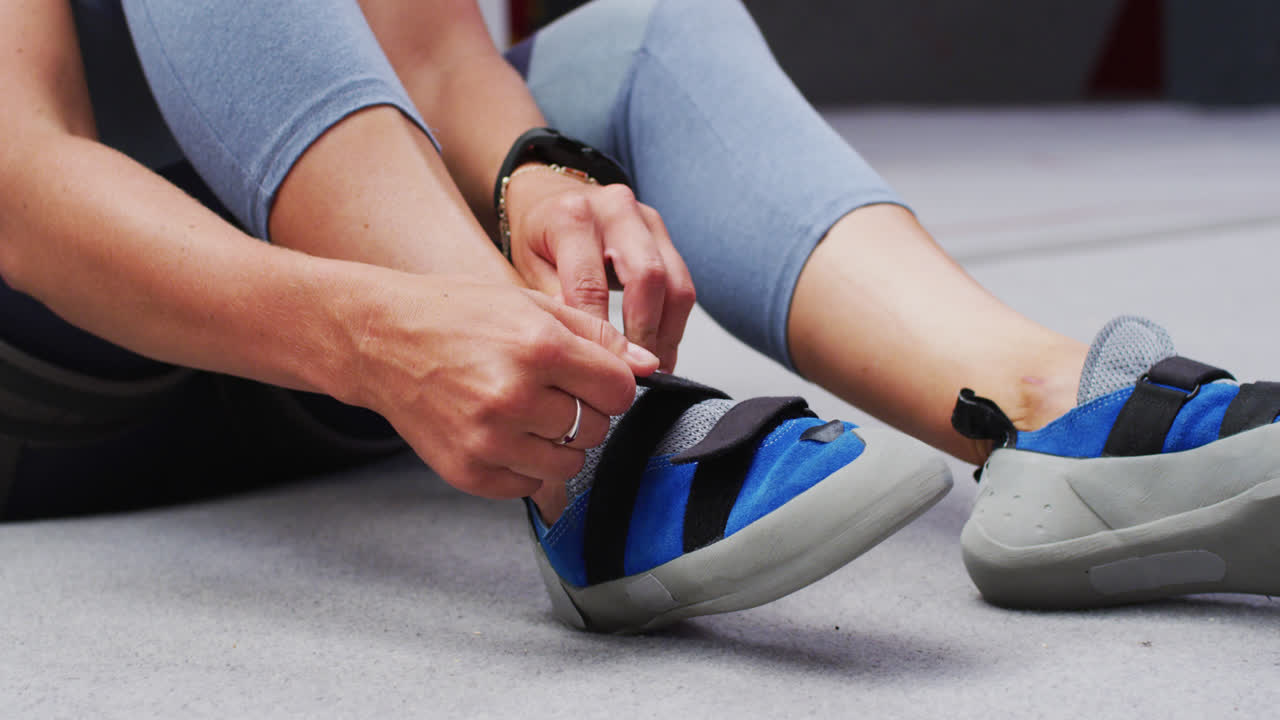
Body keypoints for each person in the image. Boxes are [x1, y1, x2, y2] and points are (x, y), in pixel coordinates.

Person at [2, 0, 1275, 631]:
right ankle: (582, 436)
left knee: (640, 27)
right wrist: (375, 331)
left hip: (387, 348)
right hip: (83, 375)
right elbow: (21, 179)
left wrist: (539, 170)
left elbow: (439, 55)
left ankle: (1044, 412)